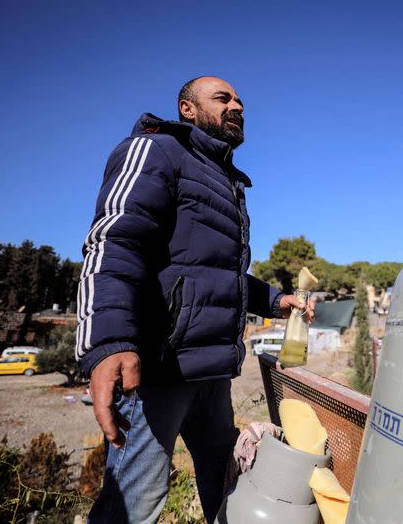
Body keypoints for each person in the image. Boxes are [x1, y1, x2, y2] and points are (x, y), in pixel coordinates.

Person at [76, 76, 314, 523]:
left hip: (212, 376)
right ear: (187, 109)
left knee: (225, 491)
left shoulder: (226, 182)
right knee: (134, 508)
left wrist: (279, 300)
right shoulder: (156, 149)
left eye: (241, 100)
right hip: (159, 371)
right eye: (223, 98)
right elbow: (115, 243)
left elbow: (219, 275)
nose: (237, 106)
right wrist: (107, 343)